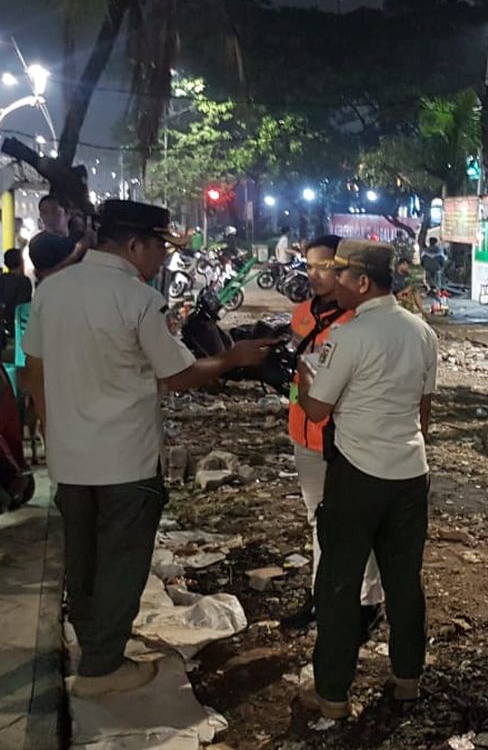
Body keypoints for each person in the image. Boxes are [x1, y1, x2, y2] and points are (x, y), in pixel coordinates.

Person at [23, 200, 274, 698]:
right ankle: (102, 667)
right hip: (124, 458)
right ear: (135, 244)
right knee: (122, 558)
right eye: (160, 245)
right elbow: (177, 376)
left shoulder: (54, 289)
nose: (162, 257)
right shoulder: (136, 299)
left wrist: (54, 433)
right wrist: (230, 359)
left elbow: (33, 371)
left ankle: (95, 642)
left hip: (70, 456)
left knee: (84, 555)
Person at [295, 239, 438, 718]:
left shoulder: (348, 336)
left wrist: (303, 376)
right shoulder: (421, 332)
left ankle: (332, 694)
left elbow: (317, 411)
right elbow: (424, 410)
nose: (330, 282)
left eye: (339, 274)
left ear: (362, 282)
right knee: (404, 581)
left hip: (357, 475)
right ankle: (407, 678)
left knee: (338, 582)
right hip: (410, 474)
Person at [283, 235, 384, 633]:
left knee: (357, 521)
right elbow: (297, 371)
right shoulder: (301, 315)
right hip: (303, 432)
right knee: (318, 520)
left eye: (326, 267)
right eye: (310, 266)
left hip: (344, 436)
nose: (317, 275)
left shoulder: (358, 322)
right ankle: (321, 598)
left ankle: (367, 601)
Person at [30, 194, 91, 281]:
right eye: (44, 213)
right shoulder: (39, 243)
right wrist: (77, 252)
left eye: (55, 212)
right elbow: (47, 275)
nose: (50, 217)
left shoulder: (78, 239)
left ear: (68, 214)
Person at [0, 248, 32, 345]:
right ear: (21, 262)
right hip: (18, 328)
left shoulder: (1, 279)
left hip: (3, 327)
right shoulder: (25, 282)